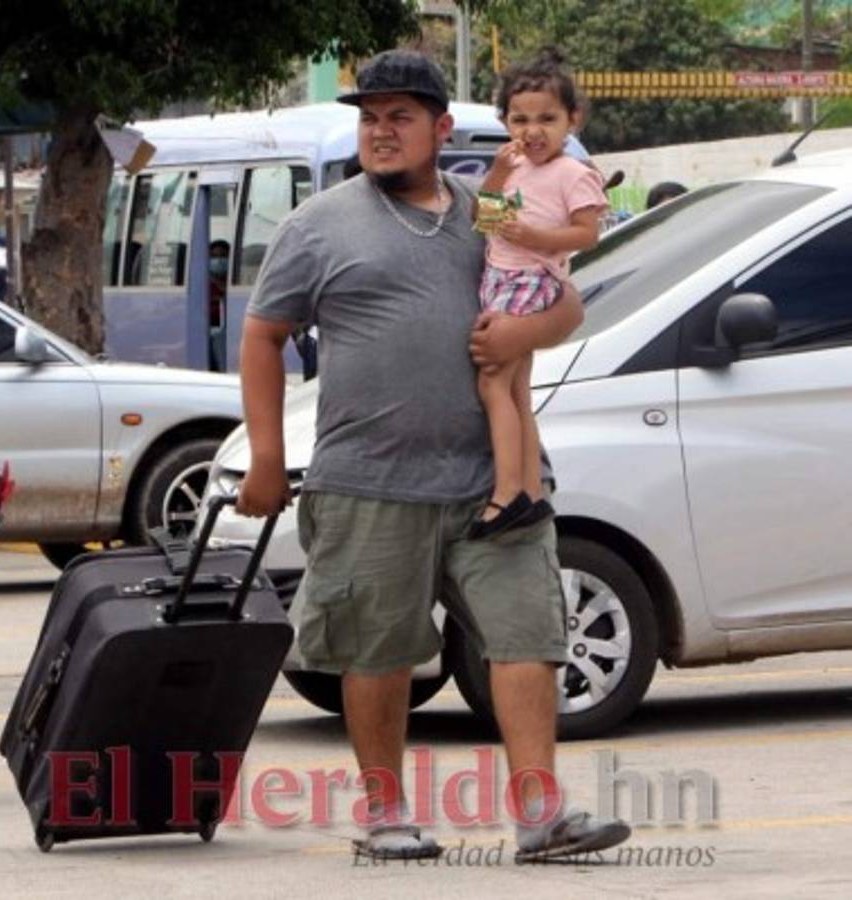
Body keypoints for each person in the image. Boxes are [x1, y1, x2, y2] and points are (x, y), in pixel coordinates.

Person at [236, 49, 630, 862]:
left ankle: (540, 815)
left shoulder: (484, 208)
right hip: (370, 482)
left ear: (440, 129)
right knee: (376, 650)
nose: (380, 132)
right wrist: (267, 456)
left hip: (497, 481)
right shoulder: (319, 225)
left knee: (527, 635)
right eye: (369, 118)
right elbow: (263, 335)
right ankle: (384, 813)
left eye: (400, 117)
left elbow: (562, 296)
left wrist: (530, 330)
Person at [470, 49, 608, 538]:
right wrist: (497, 175)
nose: (533, 130)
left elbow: (586, 233)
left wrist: (534, 238)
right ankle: (527, 490)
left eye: (547, 119)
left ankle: (505, 494)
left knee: (493, 385)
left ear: (573, 119)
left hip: (530, 282)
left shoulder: (573, 173)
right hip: (503, 277)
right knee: (515, 390)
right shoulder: (515, 169)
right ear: (505, 121)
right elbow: (483, 219)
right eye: (520, 119)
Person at [208, 239, 231, 371]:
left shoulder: (233, 282)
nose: (219, 261)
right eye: (214, 257)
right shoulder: (204, 284)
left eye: (223, 256)